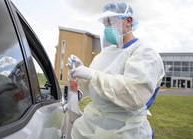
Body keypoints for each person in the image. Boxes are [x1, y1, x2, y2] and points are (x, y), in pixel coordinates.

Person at [66, 2, 165, 139]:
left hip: (126, 130)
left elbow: (134, 95)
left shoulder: (145, 53)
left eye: (111, 21)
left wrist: (92, 74)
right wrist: (81, 73)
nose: (107, 28)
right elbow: (94, 87)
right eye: (105, 23)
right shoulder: (105, 54)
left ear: (128, 21)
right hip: (90, 125)